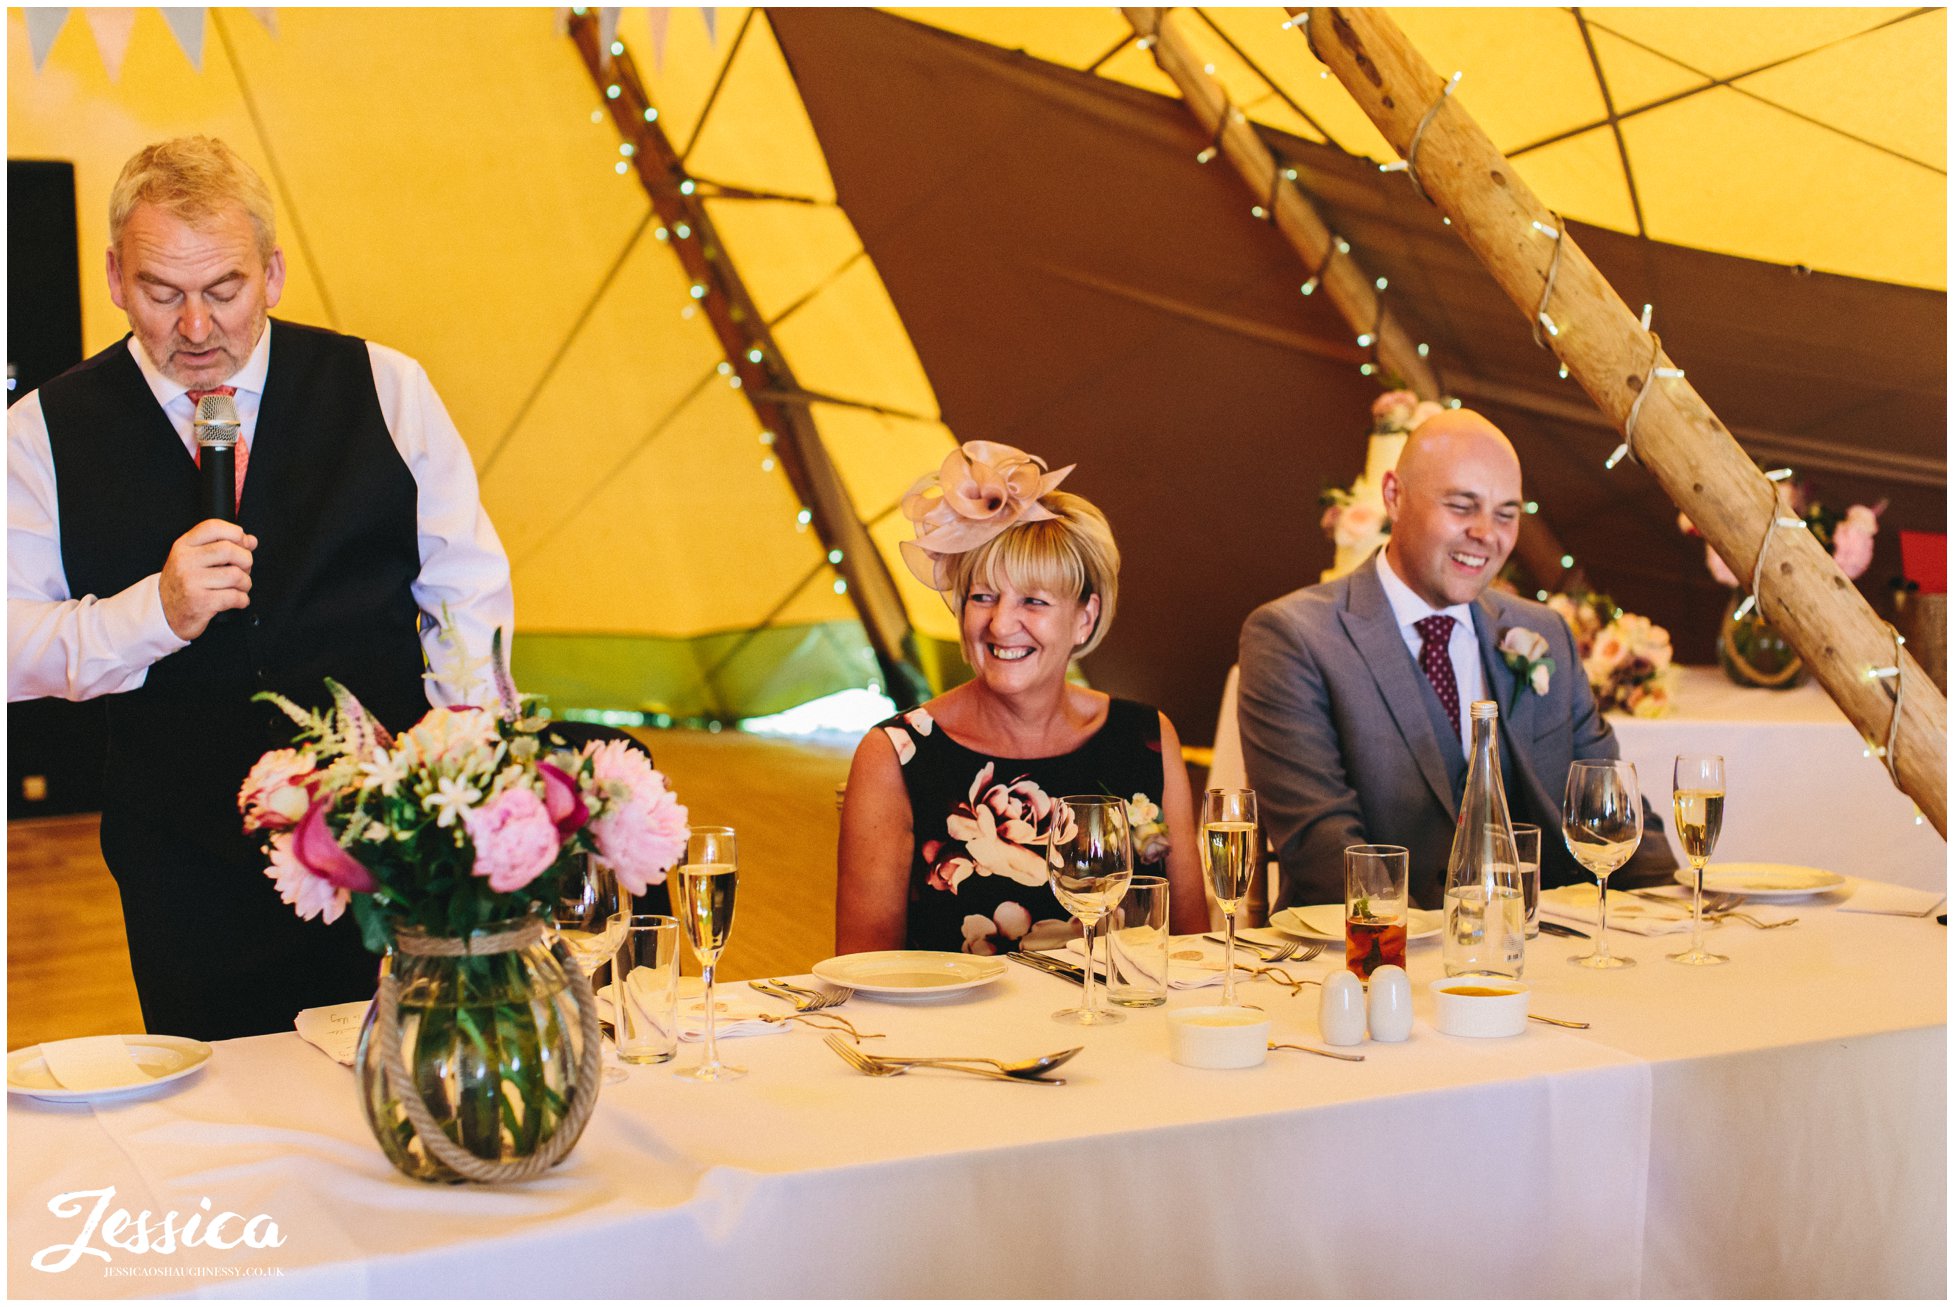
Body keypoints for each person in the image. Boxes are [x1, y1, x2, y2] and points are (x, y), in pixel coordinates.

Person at [7, 137, 514, 1040]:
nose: (196, 328)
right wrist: (152, 614)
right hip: (181, 859)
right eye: (163, 293)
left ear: (273, 273)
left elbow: (466, 591)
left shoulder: (388, 388)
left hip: (389, 839)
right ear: (116, 279)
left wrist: (463, 779)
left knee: (401, 1083)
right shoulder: (40, 432)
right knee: (221, 1111)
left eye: (225, 289)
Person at [1237, 408, 1674, 910]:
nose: (1487, 533)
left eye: (1506, 513)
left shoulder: (1541, 631)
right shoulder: (1294, 637)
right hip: (1377, 963)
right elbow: (1323, 852)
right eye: (1463, 506)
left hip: (1546, 951)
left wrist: (1671, 914)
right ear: (1394, 496)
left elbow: (1611, 807)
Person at [837, 442, 1207, 955]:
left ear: (1085, 617)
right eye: (982, 596)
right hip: (951, 1034)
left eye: (1033, 600)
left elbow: (1192, 947)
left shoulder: (1144, 738)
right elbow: (865, 972)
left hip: (1120, 1030)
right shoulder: (897, 753)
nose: (1000, 623)